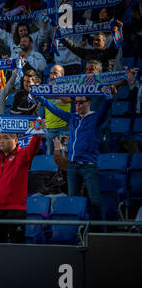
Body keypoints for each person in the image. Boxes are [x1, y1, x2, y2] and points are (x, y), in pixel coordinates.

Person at [32, 86, 118, 231]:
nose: (77, 105)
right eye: (76, 103)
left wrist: (109, 97)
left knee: (95, 200)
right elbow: (55, 109)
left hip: (88, 165)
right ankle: (75, 232)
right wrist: (40, 98)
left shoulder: (94, 118)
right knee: (73, 200)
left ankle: (102, 233)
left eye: (81, 102)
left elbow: (105, 109)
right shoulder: (73, 118)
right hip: (72, 166)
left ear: (89, 102)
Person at [39, 65, 71, 155]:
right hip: (49, 129)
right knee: (50, 157)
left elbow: (68, 100)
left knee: (64, 156)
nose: (52, 76)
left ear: (62, 75)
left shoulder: (68, 88)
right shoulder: (46, 88)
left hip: (64, 128)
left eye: (55, 73)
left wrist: (54, 89)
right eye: (51, 73)